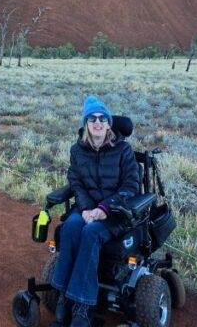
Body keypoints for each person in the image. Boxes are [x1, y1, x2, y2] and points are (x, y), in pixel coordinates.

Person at [50, 96, 140, 327]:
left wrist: (103, 209)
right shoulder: (77, 151)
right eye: (92, 118)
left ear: (109, 123)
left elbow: (131, 186)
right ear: (86, 124)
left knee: (91, 234)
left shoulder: (123, 150)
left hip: (116, 213)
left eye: (102, 118)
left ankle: (83, 306)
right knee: (70, 227)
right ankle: (62, 296)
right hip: (87, 207)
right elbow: (76, 183)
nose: (98, 122)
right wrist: (88, 208)